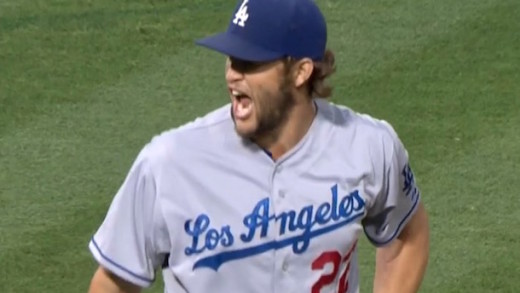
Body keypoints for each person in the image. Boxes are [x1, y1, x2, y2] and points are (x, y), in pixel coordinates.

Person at [87, 0, 430, 292]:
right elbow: (112, 281)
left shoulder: (367, 146)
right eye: (232, 60)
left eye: (249, 63)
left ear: (301, 72)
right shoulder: (169, 163)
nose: (232, 75)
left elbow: (407, 236)